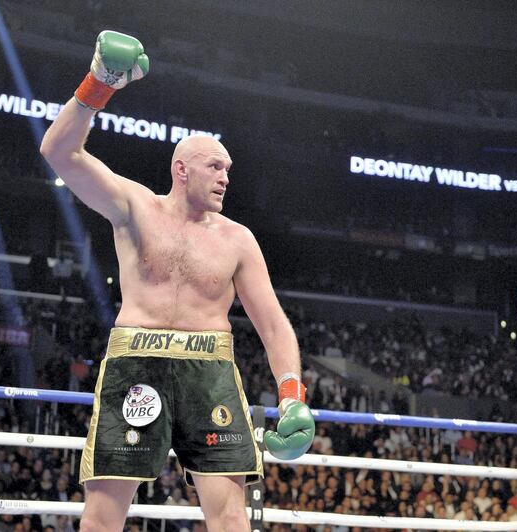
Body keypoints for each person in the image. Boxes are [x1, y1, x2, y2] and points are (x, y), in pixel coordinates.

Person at [40, 31, 315, 531]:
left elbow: (273, 324)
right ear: (181, 169)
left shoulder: (238, 239)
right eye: (215, 166)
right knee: (103, 512)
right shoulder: (134, 207)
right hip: (135, 361)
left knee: (230, 515)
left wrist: (292, 394)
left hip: (209, 368)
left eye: (229, 169)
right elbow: (59, 152)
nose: (226, 177)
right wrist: (99, 83)